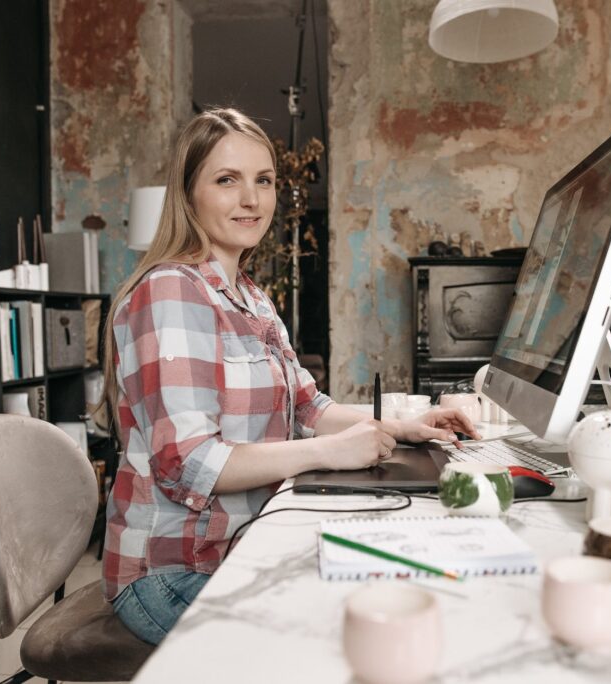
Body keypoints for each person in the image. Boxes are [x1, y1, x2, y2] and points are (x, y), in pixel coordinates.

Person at [101, 108, 480, 645]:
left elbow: (309, 407)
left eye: (264, 181)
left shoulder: (251, 296)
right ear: (188, 195)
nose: (251, 199)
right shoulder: (170, 290)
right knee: (335, 645)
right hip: (175, 570)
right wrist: (328, 452)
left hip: (242, 546)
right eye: (227, 180)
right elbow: (187, 462)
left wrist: (409, 423)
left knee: (382, 597)